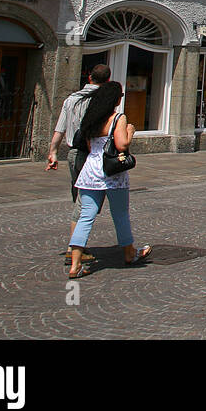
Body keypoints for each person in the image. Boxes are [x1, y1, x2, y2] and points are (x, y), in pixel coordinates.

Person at [67, 82, 151, 278]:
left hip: (90, 171)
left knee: (86, 216)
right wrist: (130, 131)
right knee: (120, 214)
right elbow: (122, 145)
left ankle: (75, 263)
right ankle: (129, 253)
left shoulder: (92, 118)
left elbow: (88, 145)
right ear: (115, 99)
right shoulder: (118, 118)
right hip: (112, 173)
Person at [46, 64, 111, 264]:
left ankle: (76, 245)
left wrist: (53, 152)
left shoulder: (72, 99)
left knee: (80, 198)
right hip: (90, 154)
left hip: (73, 154)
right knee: (85, 201)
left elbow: (60, 128)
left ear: (89, 77)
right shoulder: (102, 100)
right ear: (107, 80)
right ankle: (74, 248)